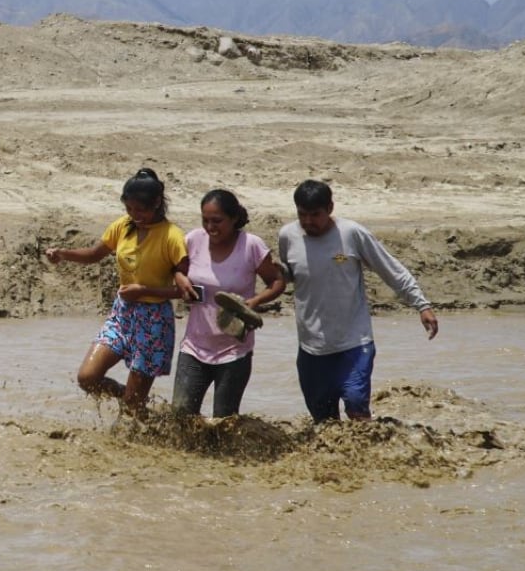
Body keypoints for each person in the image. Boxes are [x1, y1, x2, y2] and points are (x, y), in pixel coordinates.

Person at [275, 179, 440, 422]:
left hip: (353, 342)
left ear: (330, 208)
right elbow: (290, 275)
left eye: (315, 215)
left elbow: (390, 269)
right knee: (323, 420)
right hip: (311, 345)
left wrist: (421, 305)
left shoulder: (352, 234)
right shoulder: (287, 236)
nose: (308, 222)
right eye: (302, 215)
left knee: (356, 407)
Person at [44, 168, 195, 416]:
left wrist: (144, 290)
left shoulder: (173, 237)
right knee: (87, 377)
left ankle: (137, 411)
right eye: (129, 209)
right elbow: (95, 255)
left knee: (131, 409)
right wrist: (63, 254)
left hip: (154, 320)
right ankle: (134, 402)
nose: (135, 216)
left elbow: (186, 291)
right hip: (123, 313)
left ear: (157, 203)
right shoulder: (122, 226)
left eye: (141, 210)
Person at [171, 189, 287, 418]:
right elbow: (176, 269)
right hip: (194, 346)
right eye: (205, 220)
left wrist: (253, 303)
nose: (210, 227)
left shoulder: (251, 246)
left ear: (234, 219)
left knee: (224, 421)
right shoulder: (193, 240)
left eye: (217, 221)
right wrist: (181, 280)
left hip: (234, 351)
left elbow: (276, 281)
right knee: (180, 416)